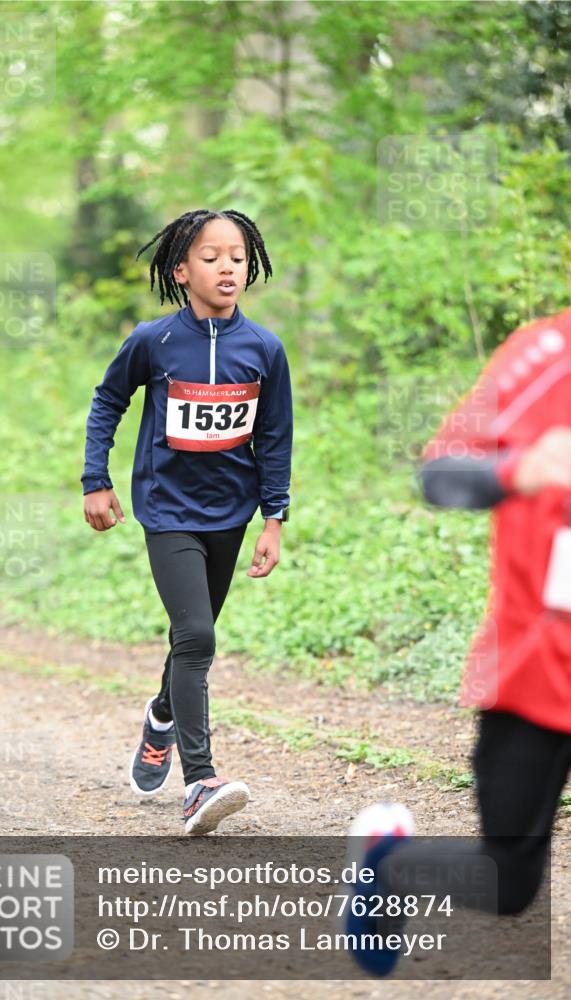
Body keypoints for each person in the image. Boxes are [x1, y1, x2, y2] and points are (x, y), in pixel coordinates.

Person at [344, 306, 571, 975]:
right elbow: (439, 473)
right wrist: (518, 470)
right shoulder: (545, 355)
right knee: (504, 883)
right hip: (541, 666)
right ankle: (389, 866)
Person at [81, 209, 293, 835]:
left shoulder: (264, 349)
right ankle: (200, 781)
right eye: (211, 256)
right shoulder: (154, 341)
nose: (227, 266)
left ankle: (161, 719)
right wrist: (97, 478)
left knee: (188, 642)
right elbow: (108, 401)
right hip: (168, 512)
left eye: (237, 256)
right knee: (198, 636)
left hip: (232, 513)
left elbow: (276, 437)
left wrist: (274, 519)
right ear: (182, 269)